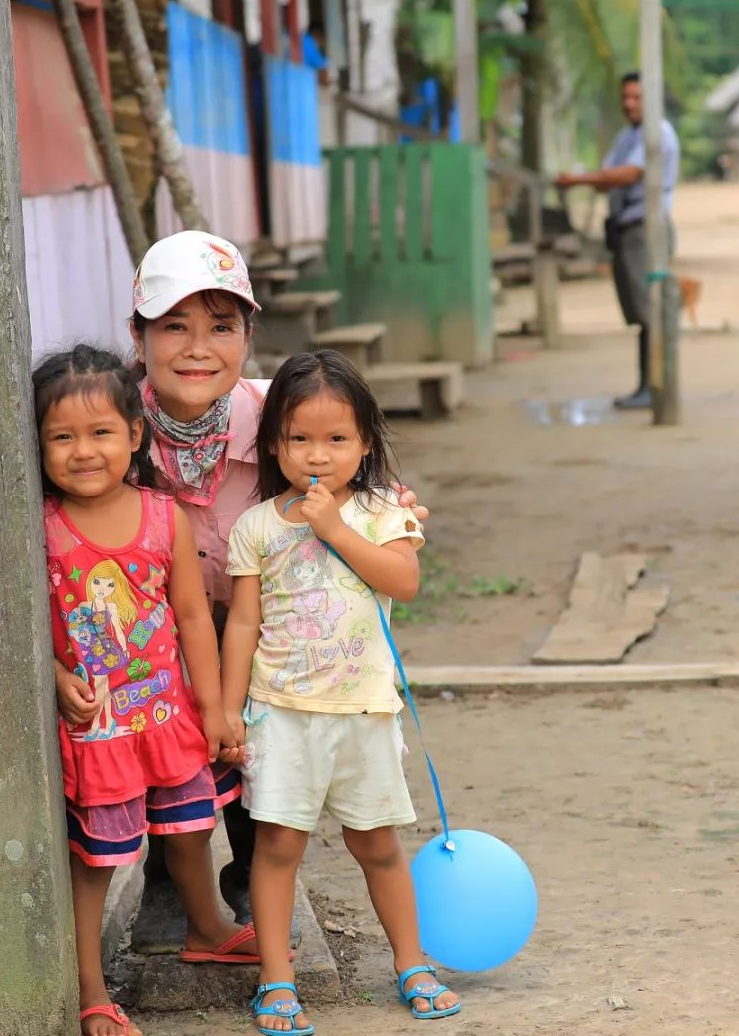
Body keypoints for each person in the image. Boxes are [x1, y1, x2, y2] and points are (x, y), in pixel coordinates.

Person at [126, 231, 428, 949]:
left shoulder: (282, 419)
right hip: (148, 633)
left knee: (257, 765)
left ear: (247, 336)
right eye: (174, 326)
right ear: (137, 334)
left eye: (221, 327)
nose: (198, 347)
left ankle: (248, 892)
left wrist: (394, 506)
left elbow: (358, 472)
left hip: (260, 630)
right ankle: (174, 883)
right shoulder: (112, 426)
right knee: (174, 768)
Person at [221, 351, 462, 1033]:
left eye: (337, 439)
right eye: (300, 439)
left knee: (378, 845)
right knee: (276, 850)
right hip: (282, 716)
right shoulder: (258, 527)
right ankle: (276, 981)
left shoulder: (385, 512)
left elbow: (403, 582)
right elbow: (243, 622)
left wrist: (333, 527)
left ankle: (411, 962)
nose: (317, 456)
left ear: (365, 443)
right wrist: (227, 708)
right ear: (274, 444)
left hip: (363, 712)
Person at [33, 346, 265, 1036]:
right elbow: (18, 626)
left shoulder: (165, 517)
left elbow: (195, 617)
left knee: (191, 832)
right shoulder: (40, 529)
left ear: (135, 435)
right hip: (97, 730)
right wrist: (54, 676)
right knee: (98, 861)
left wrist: (216, 706)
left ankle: (209, 928)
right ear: (39, 445)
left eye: (101, 432)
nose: (83, 451)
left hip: (166, 715)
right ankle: (90, 988)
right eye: (61, 437)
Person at [556, 71, 681, 410]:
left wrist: (579, 179)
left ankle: (657, 385)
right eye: (626, 97)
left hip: (646, 229)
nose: (629, 104)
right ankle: (647, 384)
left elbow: (624, 174)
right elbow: (607, 176)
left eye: (637, 98)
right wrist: (594, 179)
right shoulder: (628, 136)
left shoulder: (658, 133)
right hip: (626, 229)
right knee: (641, 313)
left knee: (651, 309)